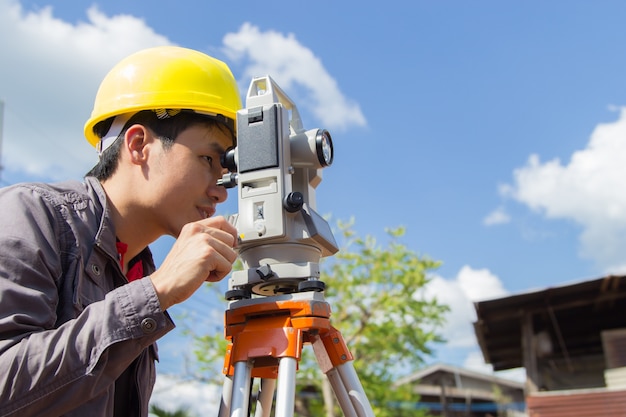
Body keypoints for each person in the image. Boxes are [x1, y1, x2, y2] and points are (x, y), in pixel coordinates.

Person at [0, 46, 242, 416]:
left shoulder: (136, 270)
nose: (220, 191)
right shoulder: (31, 215)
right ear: (138, 144)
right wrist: (156, 293)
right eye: (208, 159)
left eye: (224, 173)